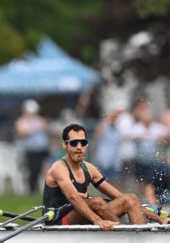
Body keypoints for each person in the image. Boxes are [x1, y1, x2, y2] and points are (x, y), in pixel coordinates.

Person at [42, 123, 170, 231]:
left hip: (85, 213)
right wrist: (98, 221)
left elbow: (119, 197)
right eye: (74, 143)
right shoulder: (58, 168)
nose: (79, 147)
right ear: (65, 145)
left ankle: (142, 236)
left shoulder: (89, 168)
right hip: (59, 220)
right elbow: (73, 198)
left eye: (83, 142)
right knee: (96, 202)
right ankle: (125, 233)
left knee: (131, 198)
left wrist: (159, 219)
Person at [15, 99, 50, 194]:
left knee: (45, 169)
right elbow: (22, 131)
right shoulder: (22, 121)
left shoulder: (39, 120)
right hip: (31, 150)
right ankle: (32, 189)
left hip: (42, 149)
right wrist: (35, 127)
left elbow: (46, 128)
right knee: (34, 170)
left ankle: (47, 189)